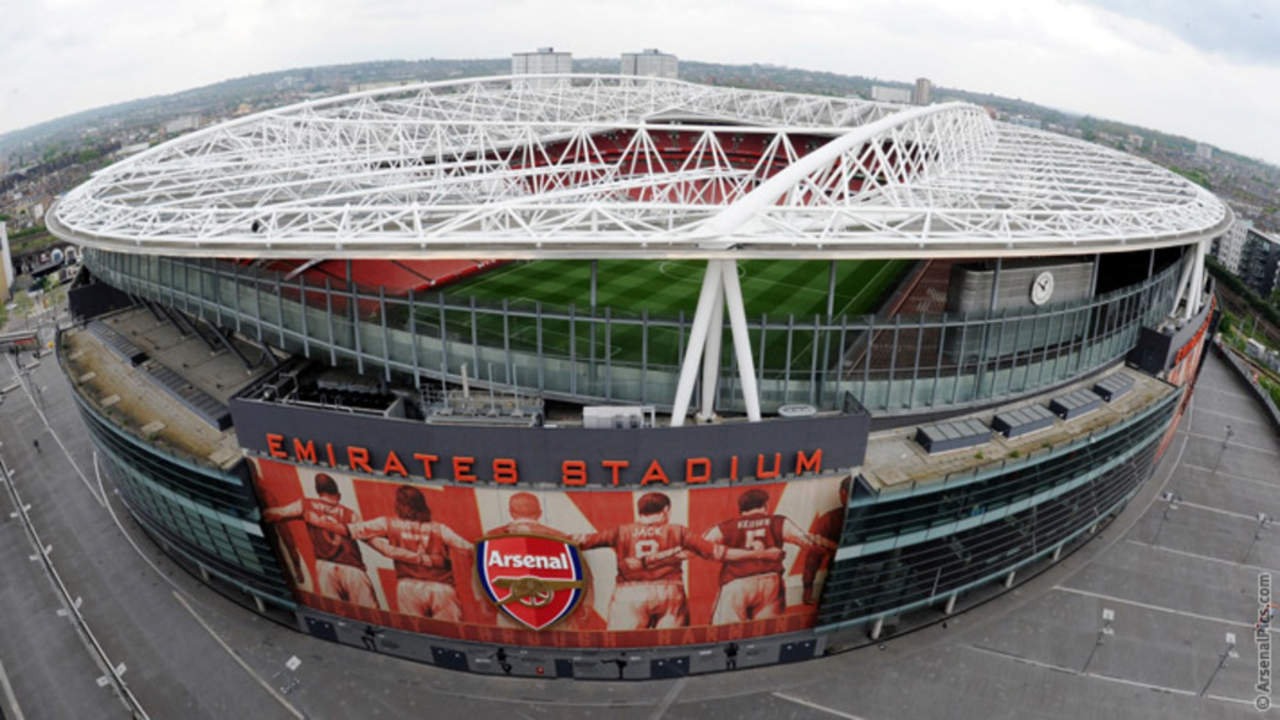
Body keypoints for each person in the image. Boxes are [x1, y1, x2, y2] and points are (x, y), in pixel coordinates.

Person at [574, 492, 781, 630]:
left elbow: (583, 541)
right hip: (670, 593)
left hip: (630, 593)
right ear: (666, 510)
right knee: (670, 646)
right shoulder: (678, 531)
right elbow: (720, 553)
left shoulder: (621, 532)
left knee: (624, 645)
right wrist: (762, 554)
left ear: (640, 512)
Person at [704, 488, 835, 623]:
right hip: (770, 583)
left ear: (741, 509)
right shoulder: (778, 521)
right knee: (766, 630)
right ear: (766, 505)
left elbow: (700, 546)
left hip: (736, 583)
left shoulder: (726, 527)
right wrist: (835, 548)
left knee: (728, 633)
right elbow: (808, 542)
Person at [349, 485, 472, 621]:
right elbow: (467, 548)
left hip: (408, 586)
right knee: (450, 633)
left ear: (398, 504)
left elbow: (355, 531)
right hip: (441, 587)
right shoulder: (440, 529)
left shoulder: (388, 523)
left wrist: (388, 550)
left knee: (416, 630)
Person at [261, 473, 378, 608]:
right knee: (368, 610)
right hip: (353, 569)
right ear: (338, 495)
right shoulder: (350, 514)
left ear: (318, 492)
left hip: (324, 567)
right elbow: (370, 538)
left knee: (335, 611)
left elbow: (276, 514)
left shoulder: (305, 505)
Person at [800, 477, 852, 606]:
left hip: (845, 576)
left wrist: (808, 588)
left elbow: (813, 557)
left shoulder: (831, 518)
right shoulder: (830, 519)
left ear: (843, 493)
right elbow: (814, 556)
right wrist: (808, 588)